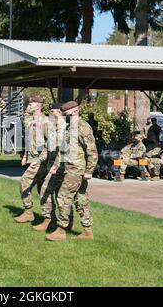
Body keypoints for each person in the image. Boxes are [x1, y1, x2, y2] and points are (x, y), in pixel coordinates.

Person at [46, 101, 98, 241]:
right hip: (69, 168)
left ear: (75, 112)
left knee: (63, 197)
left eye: (66, 114)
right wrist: (56, 165)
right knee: (80, 200)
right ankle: (87, 231)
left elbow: (92, 151)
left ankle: (61, 230)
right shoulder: (70, 127)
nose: (64, 117)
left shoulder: (83, 127)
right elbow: (63, 149)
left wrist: (89, 170)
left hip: (77, 170)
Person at [14, 96, 49, 223]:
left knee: (24, 182)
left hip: (42, 161)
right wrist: (25, 156)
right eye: (28, 103)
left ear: (38, 105)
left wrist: (39, 159)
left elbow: (51, 143)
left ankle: (29, 212)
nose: (29, 105)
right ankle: (49, 218)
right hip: (32, 159)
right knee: (43, 190)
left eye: (31, 103)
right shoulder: (30, 121)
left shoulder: (45, 121)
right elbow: (30, 141)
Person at [32, 103, 66, 231]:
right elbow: (48, 148)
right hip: (51, 165)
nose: (50, 114)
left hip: (61, 167)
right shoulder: (54, 128)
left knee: (48, 192)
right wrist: (38, 160)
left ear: (58, 112)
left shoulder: (64, 128)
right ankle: (55, 220)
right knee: (58, 195)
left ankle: (51, 220)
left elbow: (64, 150)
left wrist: (57, 165)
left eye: (52, 111)